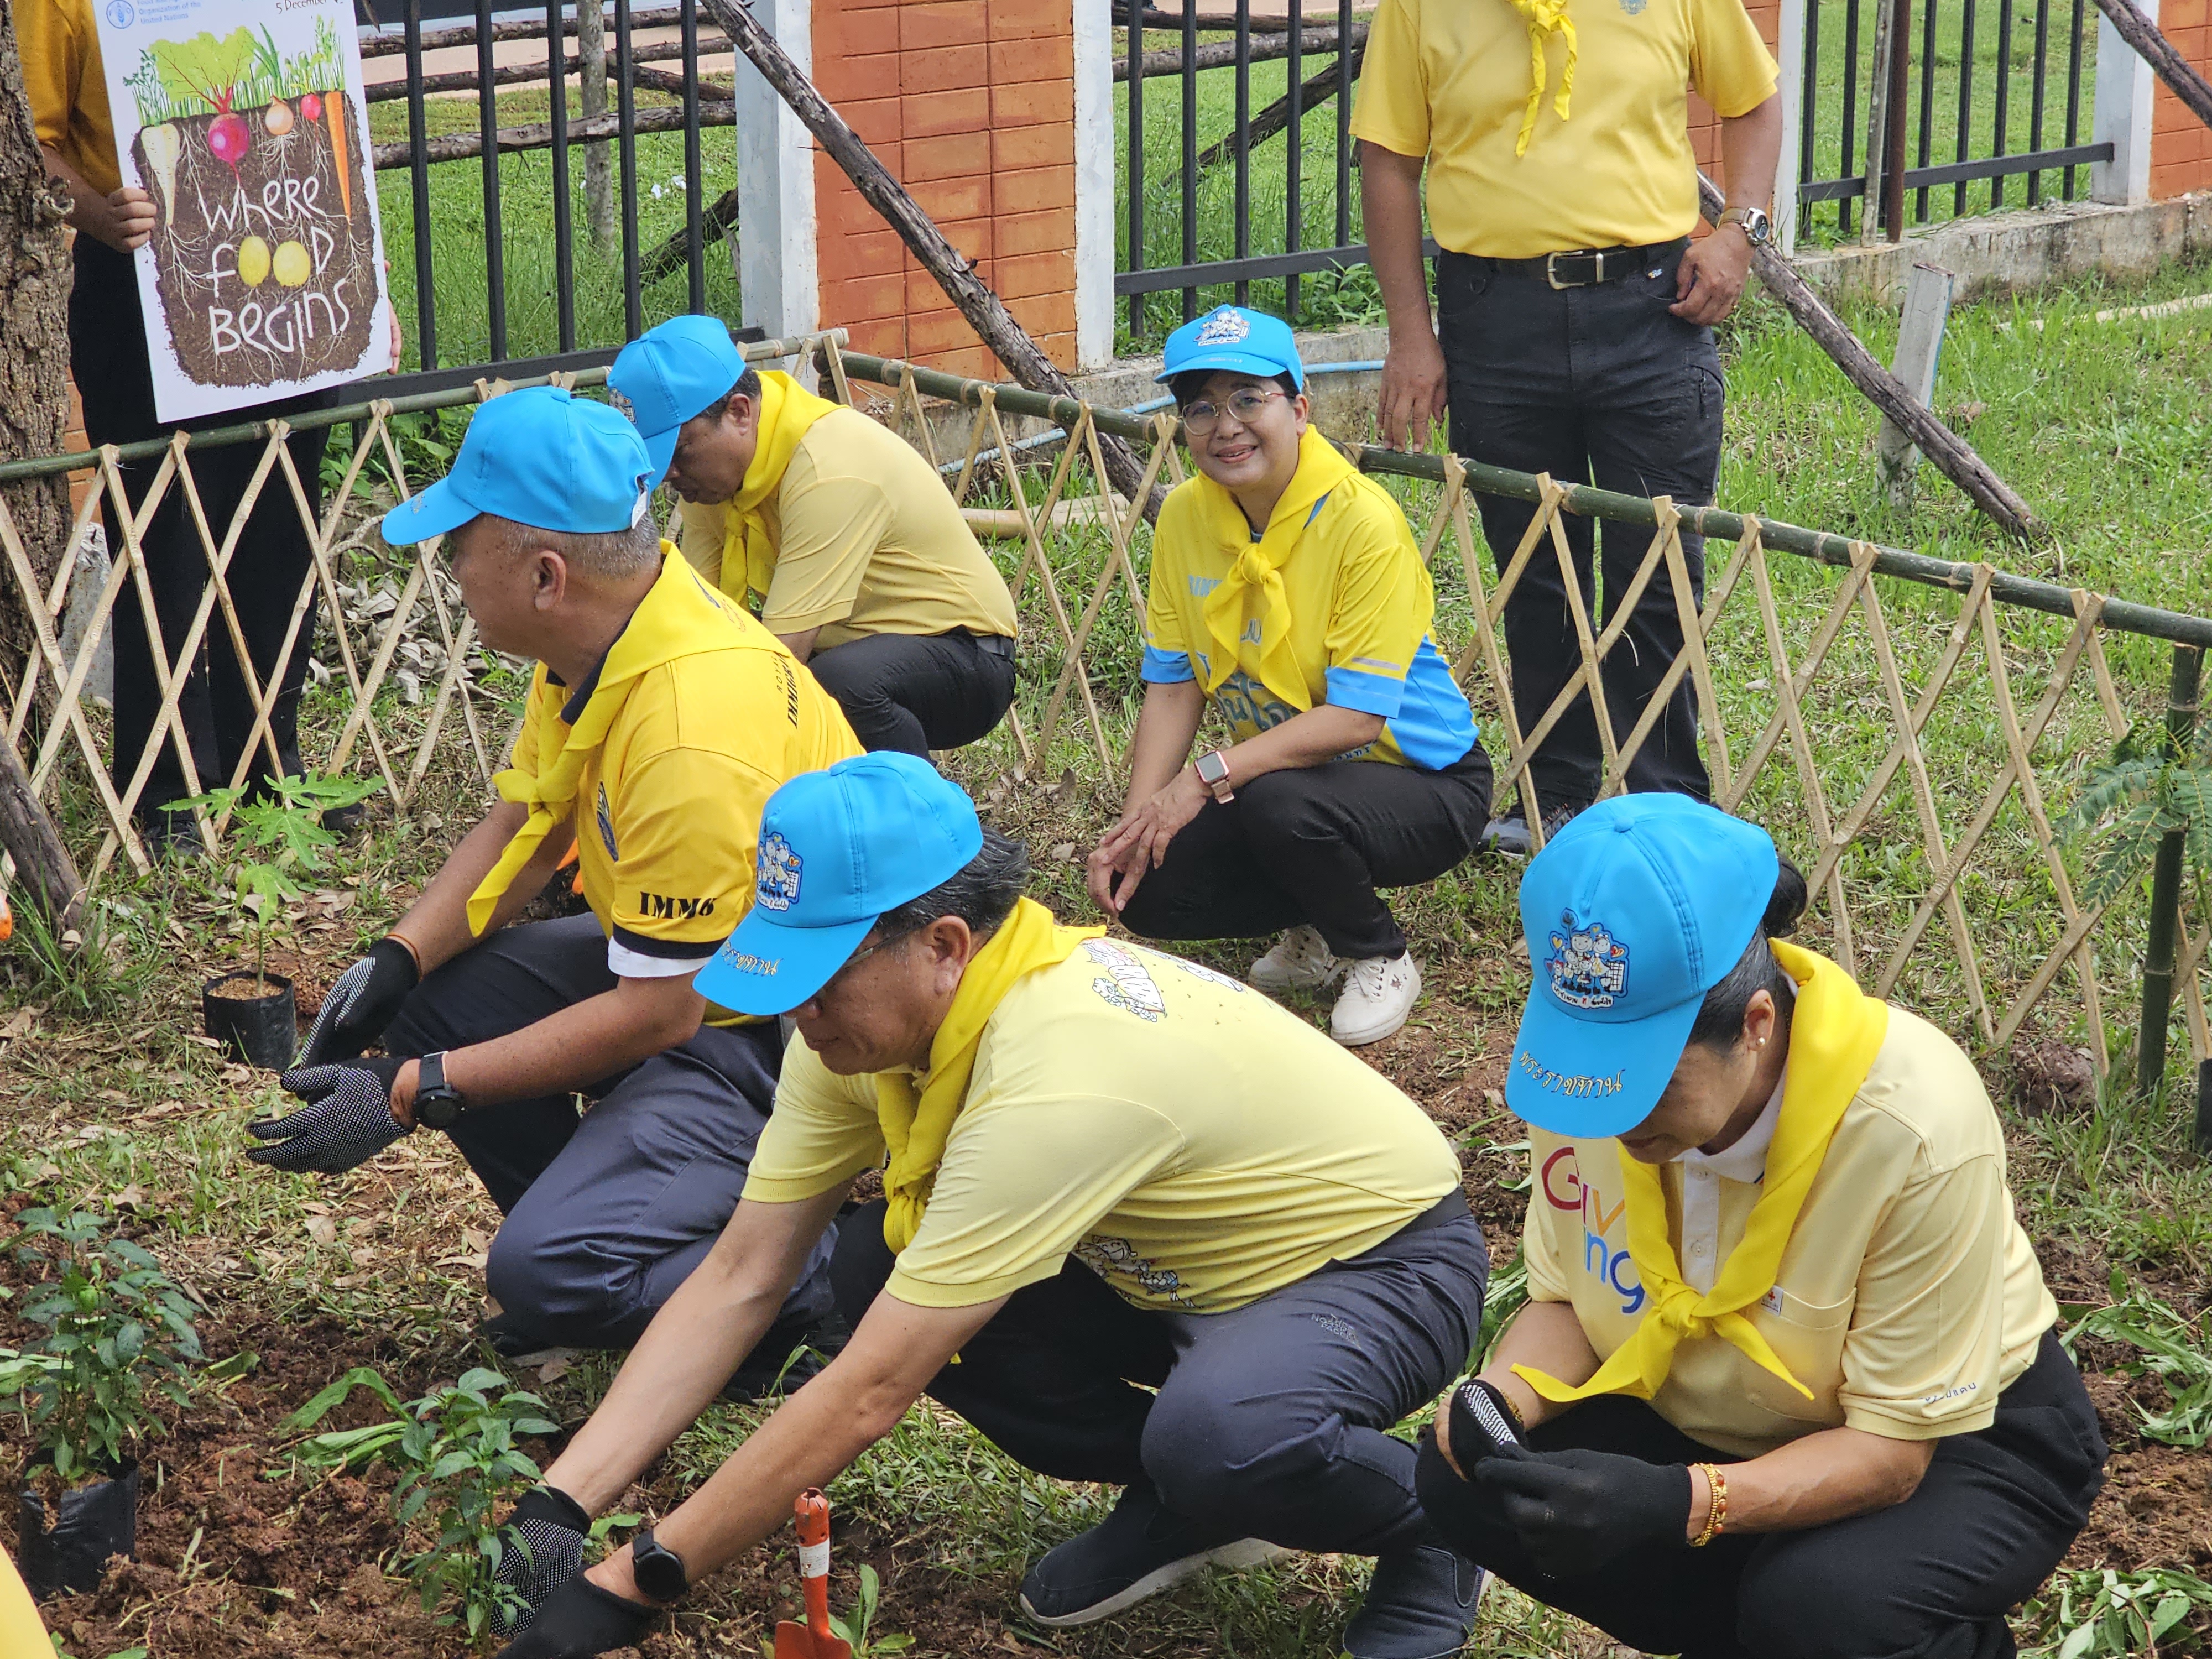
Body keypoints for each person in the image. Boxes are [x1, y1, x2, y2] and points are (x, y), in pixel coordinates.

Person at [477, 753, 1494, 1659]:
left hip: (1378, 1266)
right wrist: (563, 1500)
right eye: (786, 973)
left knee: (1220, 1439)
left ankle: (1443, 1523)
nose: (800, 1010)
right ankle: (1196, 1500)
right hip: (1172, 1278)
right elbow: (744, 1272)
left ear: (945, 946)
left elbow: (872, 1390)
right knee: (874, 1263)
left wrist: (638, 1581)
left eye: (824, 978)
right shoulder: (857, 1037)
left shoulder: (1057, 1073)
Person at [247, 387, 862, 1375]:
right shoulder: (605, 637)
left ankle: (799, 1284)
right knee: (444, 1000)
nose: (448, 566)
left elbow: (662, 1015)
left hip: (778, 1028)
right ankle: (613, 1222)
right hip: (689, 970)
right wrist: (398, 959)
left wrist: (409, 1093)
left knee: (541, 1273)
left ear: (545, 575)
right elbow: (530, 824)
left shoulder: (690, 729)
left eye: (460, 543)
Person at [1413, 794, 2107, 1659]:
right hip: (1705, 1401)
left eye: (1645, 1082)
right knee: (1465, 1485)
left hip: (1953, 1435)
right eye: (1589, 1068)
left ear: (1755, 1026)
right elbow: (1570, 1303)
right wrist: (1500, 1403)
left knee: (1824, 1608)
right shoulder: (1586, 1089)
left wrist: (1683, 1504)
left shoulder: (1911, 1127)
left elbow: (1894, 1454)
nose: (1610, 1116)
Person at [1352, 0, 1783, 852]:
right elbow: (1388, 162)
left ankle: (1667, 809)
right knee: (1534, 568)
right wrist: (1410, 335)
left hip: (1654, 309)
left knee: (1656, 566)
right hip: (1495, 317)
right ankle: (1556, 798)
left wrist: (1741, 232)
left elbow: (1754, 103)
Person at [20, 0, 397, 854]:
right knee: (165, 543)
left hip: (296, 283)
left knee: (283, 532)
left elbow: (327, 111)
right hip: (148, 288)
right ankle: (166, 790)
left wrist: (365, 282)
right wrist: (93, 212)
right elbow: (26, 140)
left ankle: (273, 769)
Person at [1087, 306, 1491, 1047]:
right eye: (1201, 408)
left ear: (1299, 410)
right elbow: (1175, 683)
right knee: (1149, 889)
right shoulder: (1184, 517)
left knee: (1280, 804)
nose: (1226, 426)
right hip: (1286, 774)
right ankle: (1313, 922)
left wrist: (1201, 780)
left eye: (1249, 399)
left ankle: (1377, 954)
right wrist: (1138, 826)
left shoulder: (1362, 522)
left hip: (1424, 783)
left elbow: (1357, 719)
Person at [606, 315, 1020, 759]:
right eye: (657, 459)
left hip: (967, 654)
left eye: (679, 451)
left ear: (740, 412)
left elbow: (781, 659)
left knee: (833, 686)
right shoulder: (712, 481)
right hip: (848, 644)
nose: (669, 475)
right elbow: (697, 618)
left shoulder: (828, 470)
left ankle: (911, 801)